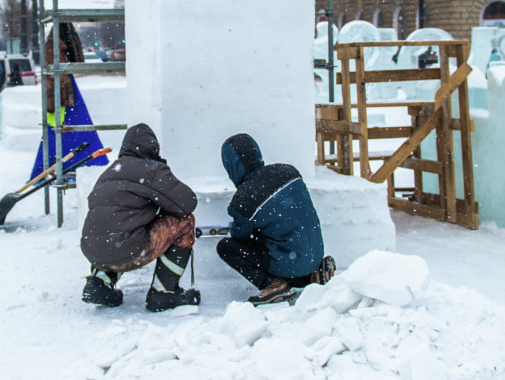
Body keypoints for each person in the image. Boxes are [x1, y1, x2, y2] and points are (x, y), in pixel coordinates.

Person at [79, 123, 200, 312]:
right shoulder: (151, 170)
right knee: (185, 221)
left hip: (92, 248)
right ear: (153, 148)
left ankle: (99, 281)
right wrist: (161, 170)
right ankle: (164, 291)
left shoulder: (110, 171)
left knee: (113, 228)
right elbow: (187, 202)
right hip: (127, 248)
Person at [217, 133, 336, 306]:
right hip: (314, 254)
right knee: (282, 237)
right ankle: (313, 275)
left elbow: (239, 236)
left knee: (227, 247)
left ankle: (273, 285)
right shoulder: (289, 171)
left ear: (231, 166)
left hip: (289, 263)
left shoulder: (243, 201)